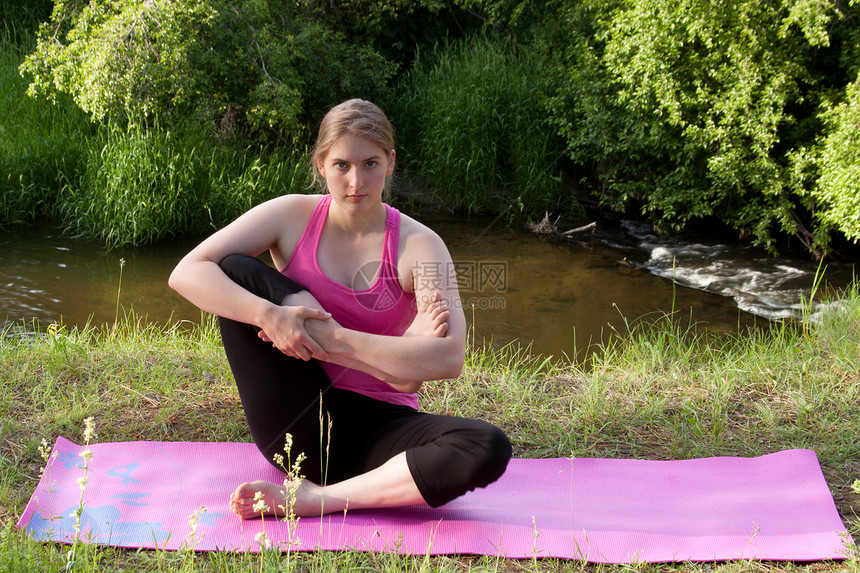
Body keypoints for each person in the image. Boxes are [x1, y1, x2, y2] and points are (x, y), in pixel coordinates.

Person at [169, 99, 511, 519]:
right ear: (320, 165)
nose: (356, 182)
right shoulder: (291, 215)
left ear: (390, 163)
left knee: (485, 445)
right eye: (341, 166)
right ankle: (350, 364)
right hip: (297, 417)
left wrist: (332, 339)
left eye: (370, 164)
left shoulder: (419, 245)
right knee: (236, 269)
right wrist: (271, 315)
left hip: (383, 430)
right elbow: (187, 271)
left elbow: (449, 357)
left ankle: (316, 499)